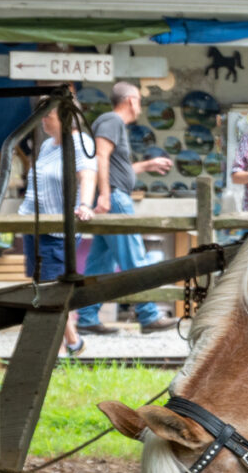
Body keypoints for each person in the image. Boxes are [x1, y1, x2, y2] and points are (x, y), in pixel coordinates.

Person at [76, 81, 177, 335]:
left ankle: (86, 318)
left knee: (100, 264)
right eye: (140, 101)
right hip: (116, 200)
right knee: (135, 257)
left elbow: (117, 167)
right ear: (131, 100)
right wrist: (106, 195)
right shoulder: (112, 120)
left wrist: (147, 165)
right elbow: (101, 156)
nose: (140, 106)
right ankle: (149, 315)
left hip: (115, 196)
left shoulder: (110, 122)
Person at [17, 100, 97, 355]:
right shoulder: (47, 145)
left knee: (52, 289)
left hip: (56, 230)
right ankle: (73, 342)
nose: (43, 119)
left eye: (47, 115)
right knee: (43, 285)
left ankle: (64, 347)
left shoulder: (79, 142)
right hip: (35, 225)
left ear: (64, 118)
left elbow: (87, 173)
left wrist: (85, 204)